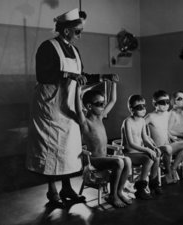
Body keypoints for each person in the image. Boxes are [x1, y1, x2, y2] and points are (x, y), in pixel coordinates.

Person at [26, 8, 116, 207]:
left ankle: (67, 187)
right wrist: (69, 75)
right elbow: (43, 75)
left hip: (69, 105)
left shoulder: (74, 51)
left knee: (67, 148)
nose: (80, 35)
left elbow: (81, 76)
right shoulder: (47, 47)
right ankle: (52, 192)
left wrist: (103, 77)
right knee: (52, 148)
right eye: (77, 31)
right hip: (50, 106)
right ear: (66, 31)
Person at [75, 78, 133, 208]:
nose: (103, 106)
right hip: (94, 160)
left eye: (103, 103)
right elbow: (78, 108)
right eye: (100, 104)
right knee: (118, 162)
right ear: (89, 106)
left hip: (105, 157)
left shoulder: (101, 117)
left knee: (127, 160)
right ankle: (112, 195)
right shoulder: (85, 122)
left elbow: (113, 101)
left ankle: (119, 192)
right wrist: (78, 88)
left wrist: (114, 83)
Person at [121, 95, 163, 199]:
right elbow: (130, 143)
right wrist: (147, 150)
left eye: (144, 106)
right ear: (132, 109)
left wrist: (153, 147)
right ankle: (140, 188)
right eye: (139, 107)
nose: (143, 109)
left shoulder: (142, 121)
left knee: (156, 157)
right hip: (129, 153)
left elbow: (145, 138)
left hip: (139, 152)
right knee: (148, 160)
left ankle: (153, 184)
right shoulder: (127, 122)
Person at [144, 90, 183, 184]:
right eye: (162, 102)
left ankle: (173, 168)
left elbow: (166, 130)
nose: (165, 105)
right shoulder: (150, 116)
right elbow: (139, 128)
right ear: (154, 103)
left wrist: (173, 138)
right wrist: (146, 142)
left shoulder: (167, 114)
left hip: (167, 144)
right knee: (168, 148)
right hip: (157, 147)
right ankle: (168, 172)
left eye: (167, 102)